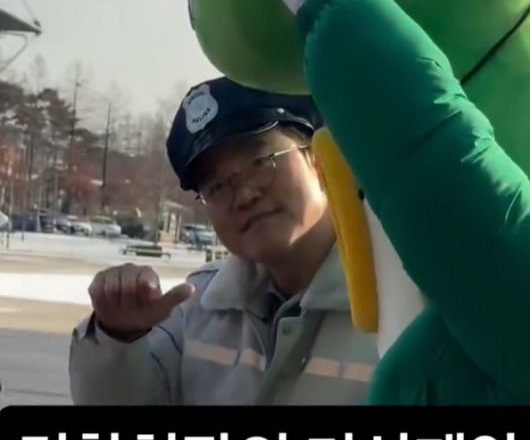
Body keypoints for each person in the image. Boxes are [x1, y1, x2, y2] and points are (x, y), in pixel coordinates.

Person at [68, 77, 378, 405]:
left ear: (317, 159)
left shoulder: (395, 300)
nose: (243, 195)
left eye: (261, 162)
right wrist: (118, 339)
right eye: (216, 186)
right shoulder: (197, 311)